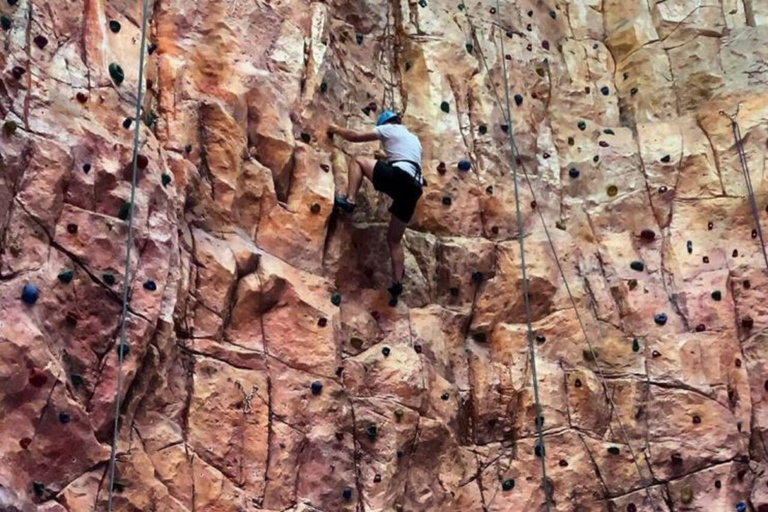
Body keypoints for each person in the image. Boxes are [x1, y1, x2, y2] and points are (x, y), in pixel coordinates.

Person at [328, 110, 423, 304]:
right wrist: (385, 158)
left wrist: (335, 129)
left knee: (358, 161)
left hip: (400, 178)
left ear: (386, 123)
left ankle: (350, 201)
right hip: (414, 188)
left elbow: (354, 136)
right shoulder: (413, 138)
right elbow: (406, 159)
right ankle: (397, 284)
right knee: (394, 240)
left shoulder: (389, 128)